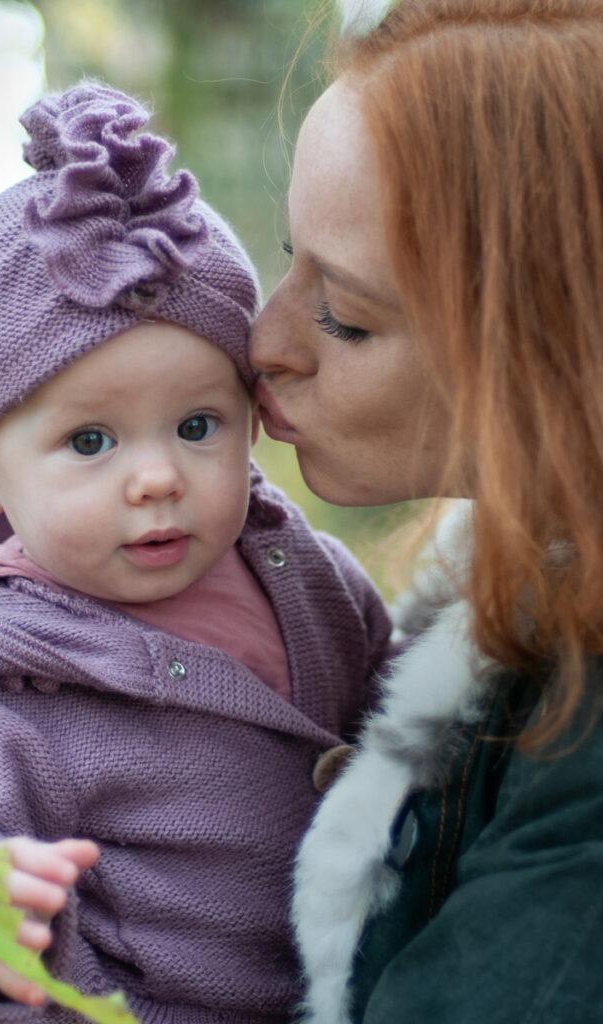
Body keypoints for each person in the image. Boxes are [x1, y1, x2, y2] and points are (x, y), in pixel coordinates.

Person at [0, 79, 394, 1024]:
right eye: (92, 443)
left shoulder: (300, 572)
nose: (158, 478)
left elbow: (404, 712)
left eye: (198, 424)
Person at [250, 0, 603, 1022]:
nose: (262, 340)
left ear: (552, 351)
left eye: (346, 316)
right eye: (289, 260)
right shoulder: (487, 615)